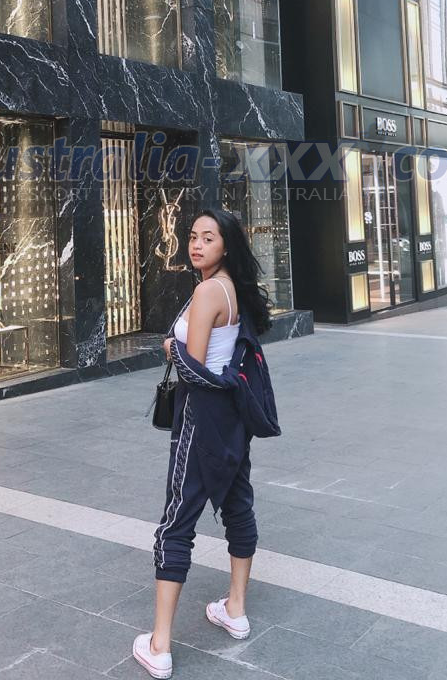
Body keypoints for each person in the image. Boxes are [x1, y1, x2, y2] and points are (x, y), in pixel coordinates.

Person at [132, 207, 275, 679]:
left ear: (226, 245)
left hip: (200, 420)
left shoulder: (208, 290)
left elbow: (193, 369)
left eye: (208, 238)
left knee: (176, 523)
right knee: (238, 506)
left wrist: (171, 348)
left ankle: (159, 645)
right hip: (233, 420)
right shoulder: (233, 289)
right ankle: (236, 609)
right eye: (193, 236)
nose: (196, 245)